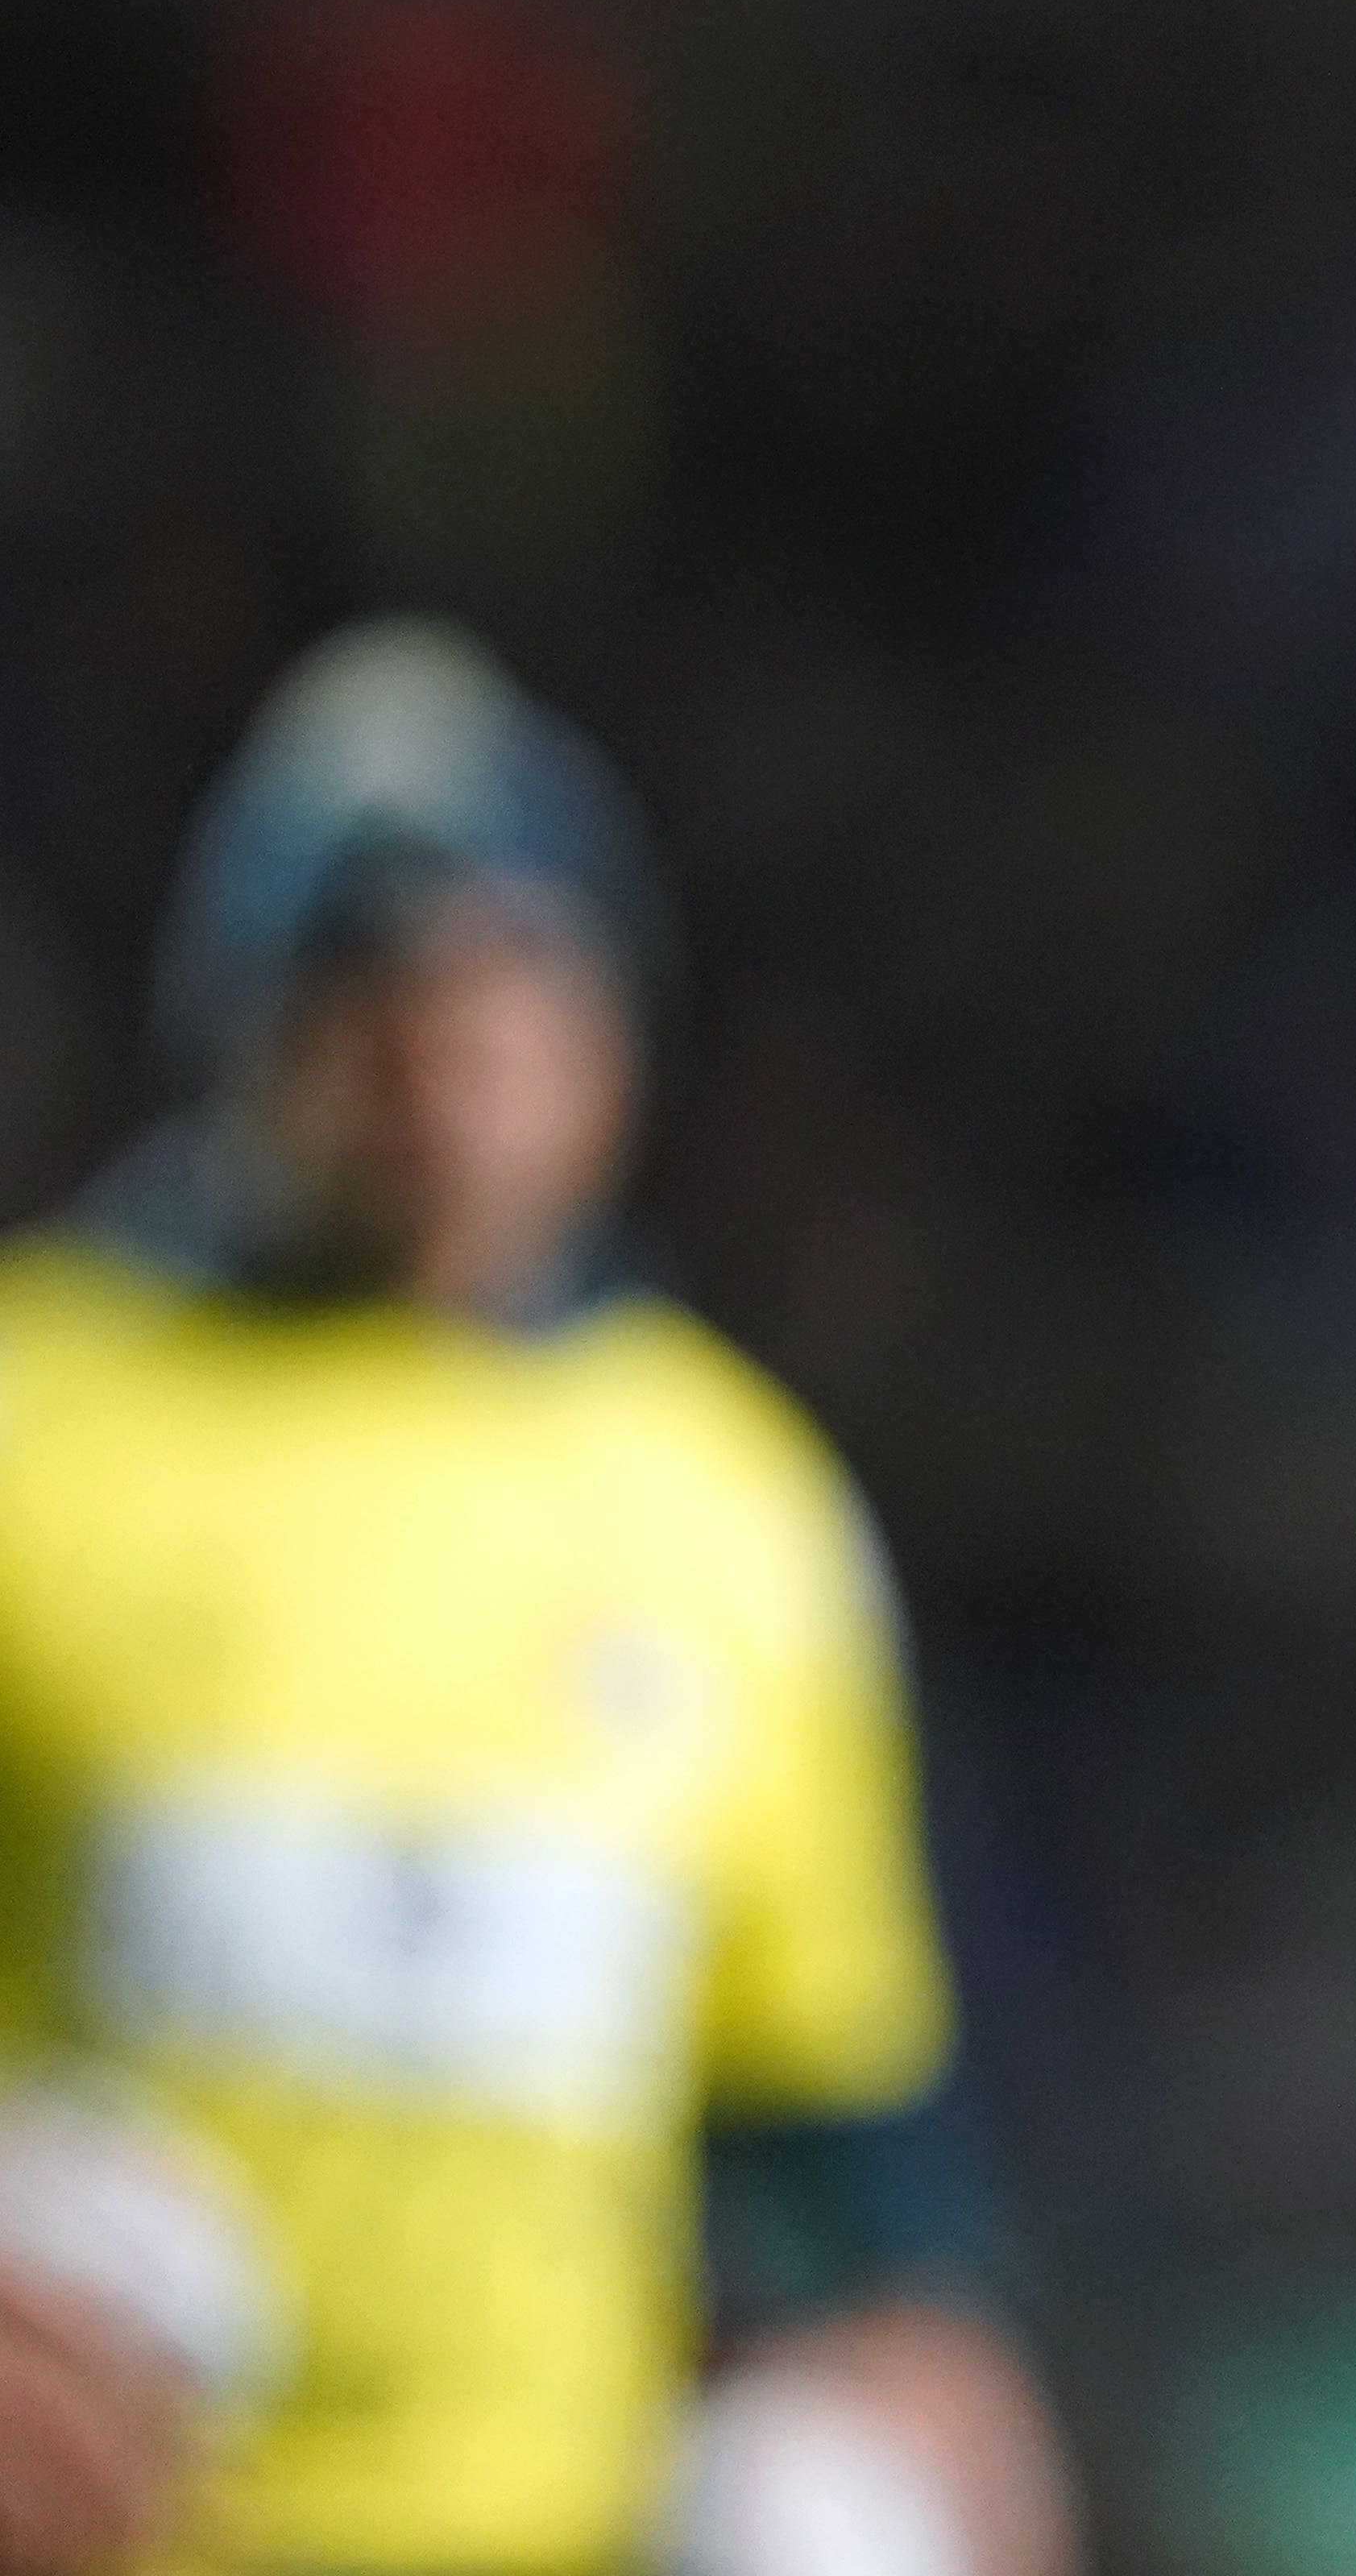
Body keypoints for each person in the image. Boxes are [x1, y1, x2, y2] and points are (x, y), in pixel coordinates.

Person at [0, 621, 1076, 2576]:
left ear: (613, 1031)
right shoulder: (36, 1412)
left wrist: (935, 2376)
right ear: (236, 1020)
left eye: (504, 971)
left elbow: (832, 2127)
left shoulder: (726, 1501)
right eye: (363, 977)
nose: (439, 1048)